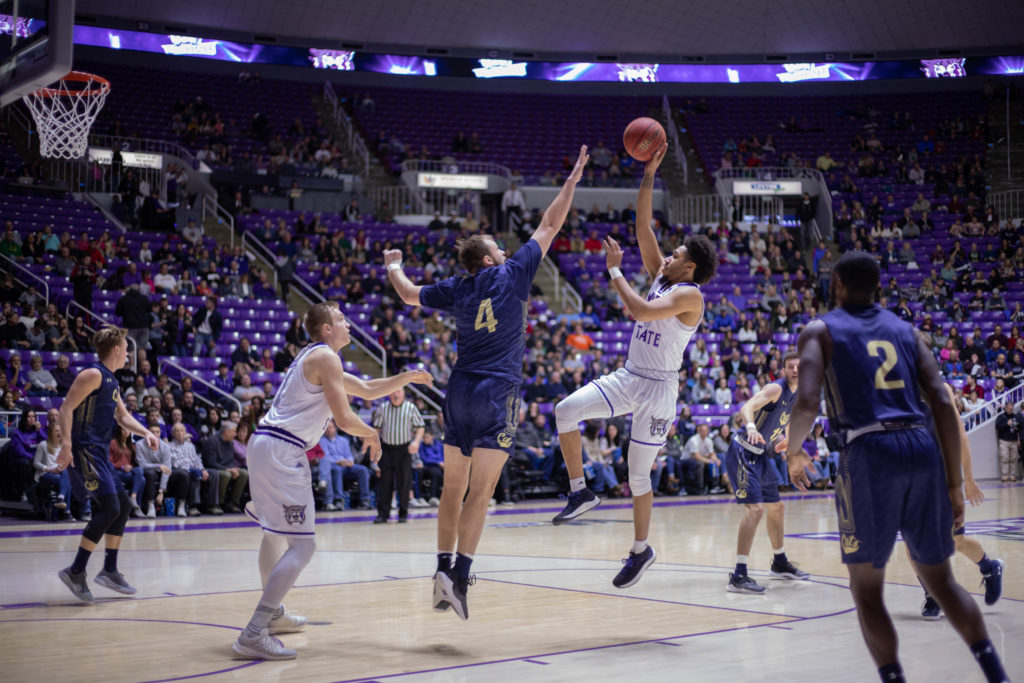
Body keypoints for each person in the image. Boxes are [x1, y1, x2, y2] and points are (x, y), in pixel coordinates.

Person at [384, 145, 589, 620]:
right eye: (499, 245)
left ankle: (440, 568)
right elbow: (550, 224)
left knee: (452, 488)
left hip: (458, 390)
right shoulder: (513, 272)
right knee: (482, 492)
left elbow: (410, 295)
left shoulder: (457, 286)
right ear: (492, 258)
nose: (504, 247)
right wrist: (572, 180)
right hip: (497, 392)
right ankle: (460, 579)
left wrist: (394, 263)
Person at [783, 251, 1009, 683]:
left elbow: (808, 401)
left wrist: (794, 451)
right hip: (921, 447)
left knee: (866, 589)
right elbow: (942, 402)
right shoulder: (907, 331)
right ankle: (997, 675)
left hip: (868, 450)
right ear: (879, 288)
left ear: (838, 286)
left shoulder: (819, 329)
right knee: (941, 581)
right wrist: (956, 486)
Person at [551, 144, 718, 590]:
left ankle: (640, 550)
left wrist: (614, 273)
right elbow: (643, 225)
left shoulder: (691, 296)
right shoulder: (665, 276)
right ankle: (579, 490)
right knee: (564, 411)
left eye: (677, 253)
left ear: (692, 267)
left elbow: (641, 312)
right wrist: (649, 174)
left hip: (660, 389)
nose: (667, 255)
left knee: (637, 475)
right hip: (629, 376)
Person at [233, 301, 430, 660]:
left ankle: (273, 615)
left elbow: (368, 390)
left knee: (275, 533)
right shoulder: (327, 357)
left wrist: (405, 378)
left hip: (265, 444)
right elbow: (343, 416)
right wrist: (371, 433)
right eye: (340, 319)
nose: (348, 324)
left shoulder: (319, 357)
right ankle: (254, 631)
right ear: (326, 329)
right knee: (303, 546)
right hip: (282, 450)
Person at [55, 327, 161, 603]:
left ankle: (110, 569)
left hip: (99, 452)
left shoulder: (111, 381)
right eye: (126, 348)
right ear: (116, 349)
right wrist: (66, 446)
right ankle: (76, 571)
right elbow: (66, 408)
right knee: (110, 507)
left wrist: (147, 432)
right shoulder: (92, 374)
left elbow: (123, 418)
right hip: (84, 450)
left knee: (123, 506)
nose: (128, 353)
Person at [722, 351, 809, 594]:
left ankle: (779, 562)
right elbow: (747, 406)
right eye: (790, 367)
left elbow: (790, 420)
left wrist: (790, 445)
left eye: (799, 367)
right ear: (783, 370)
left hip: (761, 455)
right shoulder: (775, 389)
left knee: (777, 507)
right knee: (756, 509)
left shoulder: (798, 395)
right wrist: (750, 426)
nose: (795, 371)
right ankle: (738, 576)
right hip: (742, 451)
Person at [916, 383, 1004, 619]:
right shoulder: (889, 385)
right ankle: (932, 594)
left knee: (955, 541)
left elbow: (960, 433)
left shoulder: (939, 387)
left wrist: (969, 479)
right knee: (912, 543)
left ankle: (990, 567)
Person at [371, 387, 424, 523]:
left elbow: (420, 427)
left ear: (403, 394)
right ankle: (383, 514)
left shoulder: (411, 407)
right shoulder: (382, 408)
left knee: (404, 483)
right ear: (389, 393)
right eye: (393, 391)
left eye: (398, 391)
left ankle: (403, 513)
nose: (395, 394)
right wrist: (376, 445)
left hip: (404, 450)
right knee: (385, 483)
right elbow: (376, 428)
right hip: (387, 449)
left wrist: (416, 442)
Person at [994, 401, 1020, 483]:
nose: (1010, 410)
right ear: (1005, 408)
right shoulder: (1000, 417)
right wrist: (1007, 424)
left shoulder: (1016, 417)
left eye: (1012, 409)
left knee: (1014, 459)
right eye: (1009, 409)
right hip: (1004, 440)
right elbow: (998, 427)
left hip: (1014, 440)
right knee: (1004, 458)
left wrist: (1018, 438)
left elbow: (1019, 428)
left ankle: (1012, 475)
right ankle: (1004, 475)